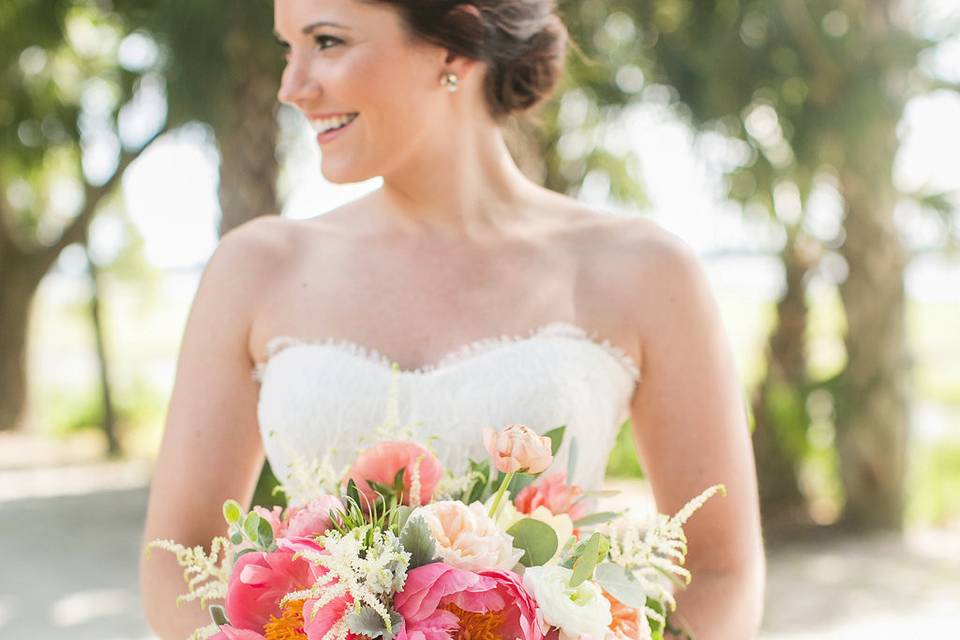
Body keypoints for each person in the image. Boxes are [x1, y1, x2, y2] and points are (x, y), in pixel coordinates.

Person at [140, 0, 765, 638]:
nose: (293, 87)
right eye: (287, 47)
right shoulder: (255, 268)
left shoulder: (645, 271)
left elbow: (719, 570)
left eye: (326, 42)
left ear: (454, 45)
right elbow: (178, 554)